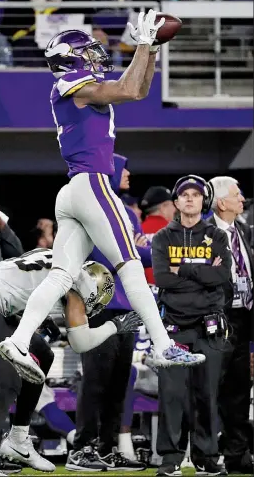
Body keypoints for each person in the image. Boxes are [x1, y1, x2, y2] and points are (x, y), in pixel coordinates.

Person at [0, 11, 205, 384]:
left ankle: (17, 339)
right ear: (69, 59)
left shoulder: (77, 86)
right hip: (92, 185)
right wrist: (142, 45)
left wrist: (151, 51)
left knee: (61, 276)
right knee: (128, 265)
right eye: (88, 52)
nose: (95, 57)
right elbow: (126, 89)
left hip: (75, 189)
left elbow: (138, 90)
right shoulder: (71, 85)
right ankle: (162, 344)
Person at [0, 248, 141, 476]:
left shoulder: (65, 261)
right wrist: (115, 326)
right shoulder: (70, 279)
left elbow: (17, 280)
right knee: (7, 381)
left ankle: (18, 438)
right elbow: (80, 342)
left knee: (43, 353)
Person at [66, 154, 151, 471]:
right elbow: (118, 252)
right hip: (97, 308)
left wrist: (136, 250)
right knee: (95, 381)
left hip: (128, 308)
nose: (128, 172)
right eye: (122, 168)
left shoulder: (129, 214)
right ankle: (81, 449)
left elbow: (144, 257)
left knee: (119, 383)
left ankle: (106, 447)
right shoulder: (86, 210)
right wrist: (133, 249)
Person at [151, 175, 231, 477]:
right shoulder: (161, 238)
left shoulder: (217, 236)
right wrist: (201, 272)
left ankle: (206, 458)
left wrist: (182, 269)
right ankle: (170, 459)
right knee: (172, 395)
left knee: (207, 395)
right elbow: (162, 279)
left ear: (204, 201)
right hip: (173, 327)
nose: (189, 199)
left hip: (209, 327)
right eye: (184, 194)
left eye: (196, 195)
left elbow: (222, 276)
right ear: (175, 201)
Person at [208, 176, 254, 475]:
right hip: (215, 320)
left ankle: (237, 456)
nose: (242, 200)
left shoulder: (244, 230)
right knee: (210, 389)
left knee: (240, 388)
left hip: (244, 319)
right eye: (237, 195)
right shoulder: (202, 233)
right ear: (221, 202)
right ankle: (206, 454)